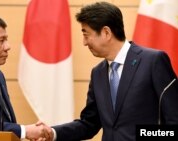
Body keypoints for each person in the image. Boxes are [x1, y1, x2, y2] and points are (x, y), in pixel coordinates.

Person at [39, 1, 178, 141]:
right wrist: (53, 133)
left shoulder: (153, 61)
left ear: (106, 32)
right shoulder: (97, 73)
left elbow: (174, 117)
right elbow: (89, 124)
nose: (84, 42)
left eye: (86, 35)